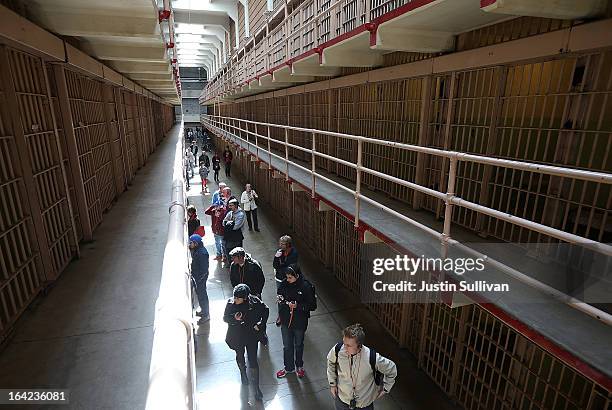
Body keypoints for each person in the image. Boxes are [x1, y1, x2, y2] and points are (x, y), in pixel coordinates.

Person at [327, 324, 398, 410]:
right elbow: (330, 362)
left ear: (359, 346)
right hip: (342, 401)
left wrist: (386, 388)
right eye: (344, 343)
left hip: (364, 405)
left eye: (348, 345)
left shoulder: (372, 357)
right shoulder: (338, 349)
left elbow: (391, 368)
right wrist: (332, 384)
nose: (344, 348)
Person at [223, 284, 269, 400]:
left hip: (251, 335)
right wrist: (234, 318)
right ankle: (243, 373)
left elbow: (265, 310)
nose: (235, 300)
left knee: (253, 359)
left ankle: (256, 387)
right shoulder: (230, 304)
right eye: (235, 297)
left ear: (245, 298)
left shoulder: (254, 302)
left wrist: (261, 324)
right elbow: (225, 317)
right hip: (237, 335)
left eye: (238, 298)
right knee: (239, 355)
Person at [276, 264, 316, 379]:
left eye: (290, 278)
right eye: (287, 277)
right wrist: (282, 300)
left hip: (299, 321)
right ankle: (288, 368)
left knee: (298, 345)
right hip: (285, 320)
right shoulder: (284, 284)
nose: (287, 280)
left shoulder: (306, 286)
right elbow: (280, 294)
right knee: (287, 345)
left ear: (297, 276)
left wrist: (298, 306)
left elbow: (312, 305)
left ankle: (299, 366)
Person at [189, 234, 210, 323]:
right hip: (198, 277)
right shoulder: (197, 250)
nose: (190, 245)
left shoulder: (202, 253)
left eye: (191, 243)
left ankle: (206, 315)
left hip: (200, 278)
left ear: (196, 243)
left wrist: (200, 280)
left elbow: (204, 269)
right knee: (200, 295)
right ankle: (203, 311)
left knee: (202, 296)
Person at [223, 198, 245, 264]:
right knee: (228, 251)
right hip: (229, 237)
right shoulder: (230, 213)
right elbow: (223, 222)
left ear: (236, 206)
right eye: (229, 205)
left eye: (231, 205)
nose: (229, 207)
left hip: (236, 237)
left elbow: (236, 227)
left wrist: (228, 224)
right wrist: (231, 223)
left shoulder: (240, 214)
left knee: (237, 253)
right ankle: (231, 264)